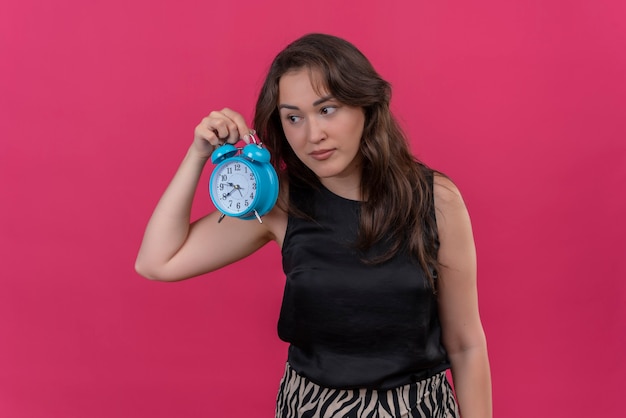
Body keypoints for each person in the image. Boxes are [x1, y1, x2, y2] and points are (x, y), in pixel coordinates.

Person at [135, 33, 492, 418]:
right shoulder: (279, 203)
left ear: (366, 107)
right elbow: (158, 261)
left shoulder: (435, 199)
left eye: (327, 110)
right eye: (294, 117)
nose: (313, 135)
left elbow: (466, 344)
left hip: (419, 409)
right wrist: (197, 154)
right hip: (312, 409)